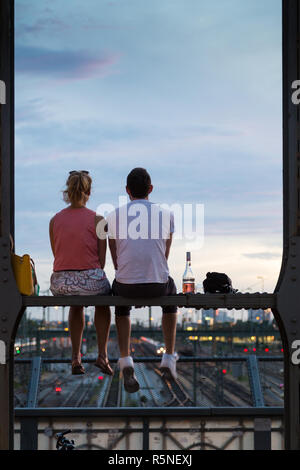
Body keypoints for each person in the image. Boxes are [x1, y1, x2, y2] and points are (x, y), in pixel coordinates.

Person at [106, 168, 178, 393]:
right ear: (151, 189)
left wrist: (130, 274)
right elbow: (164, 255)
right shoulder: (167, 215)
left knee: (120, 299)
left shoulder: (113, 215)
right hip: (157, 284)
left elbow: (115, 258)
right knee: (172, 292)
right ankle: (168, 356)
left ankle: (126, 359)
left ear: (127, 190)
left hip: (126, 285)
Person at [49, 170, 113, 376]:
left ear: (68, 191)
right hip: (90, 280)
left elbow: (57, 255)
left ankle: (76, 357)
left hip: (61, 283)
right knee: (103, 301)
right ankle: (102, 355)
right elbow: (101, 263)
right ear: (89, 192)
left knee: (75, 303)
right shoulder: (100, 220)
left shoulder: (54, 220)